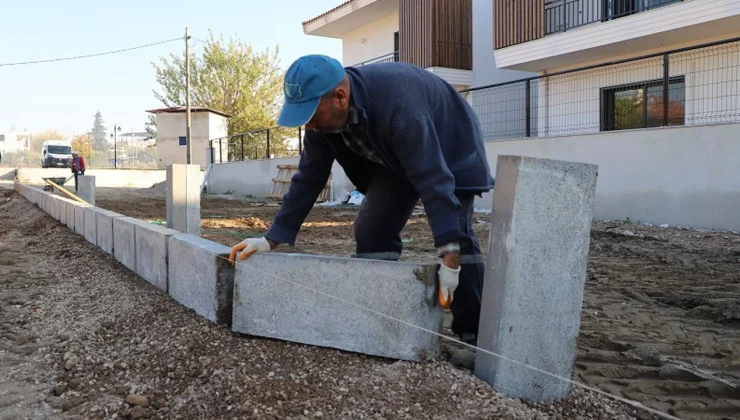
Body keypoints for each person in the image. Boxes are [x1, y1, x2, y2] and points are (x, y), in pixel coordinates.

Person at [231, 55, 494, 368]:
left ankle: (474, 334)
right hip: (393, 157)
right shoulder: (322, 122)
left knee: (459, 235)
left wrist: (450, 260)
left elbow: (435, 181)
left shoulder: (397, 103)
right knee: (372, 226)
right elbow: (308, 177)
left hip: (452, 147)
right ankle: (379, 313)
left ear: (340, 97)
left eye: (313, 116)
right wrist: (272, 238)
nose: (310, 126)